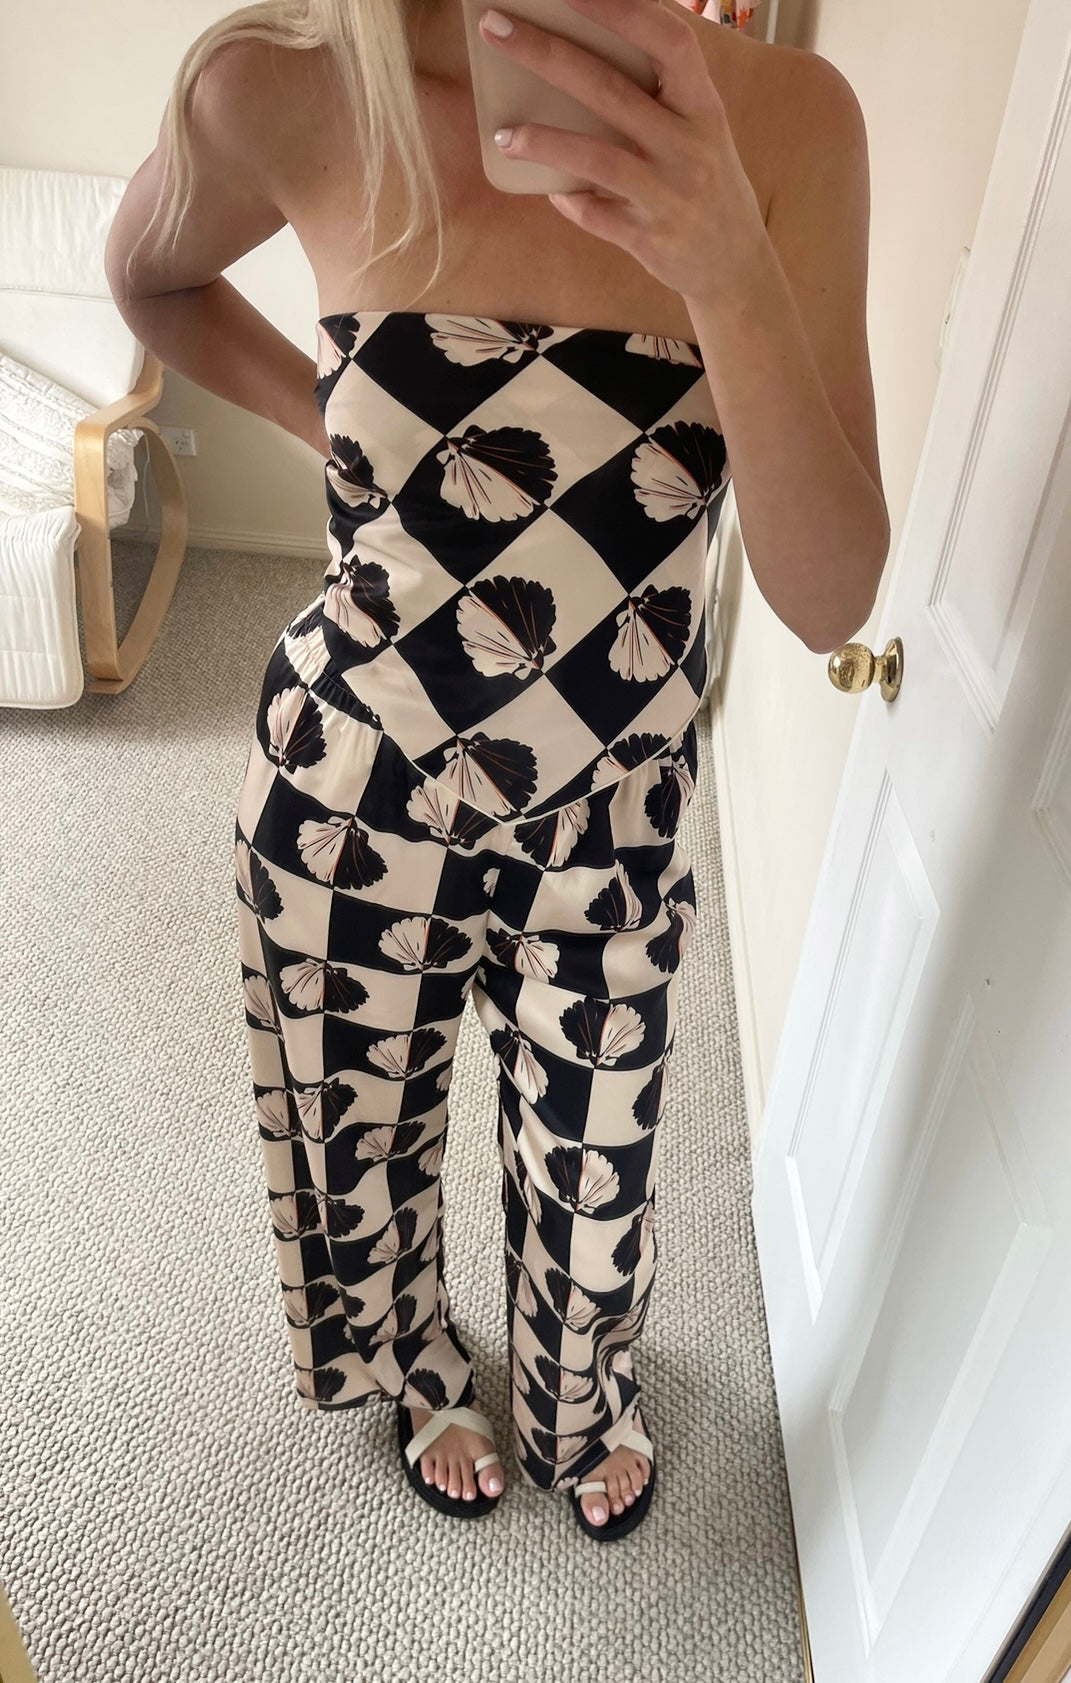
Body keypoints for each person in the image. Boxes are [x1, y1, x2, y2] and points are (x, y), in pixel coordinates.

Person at [105, 0, 888, 1541]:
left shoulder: (795, 126)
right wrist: (336, 426)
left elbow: (831, 596)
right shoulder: (282, 82)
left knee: (597, 1175)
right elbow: (150, 275)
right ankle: (416, 1366)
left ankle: (579, 1391)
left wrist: (729, 267)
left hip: (612, 816)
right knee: (355, 1144)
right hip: (350, 785)